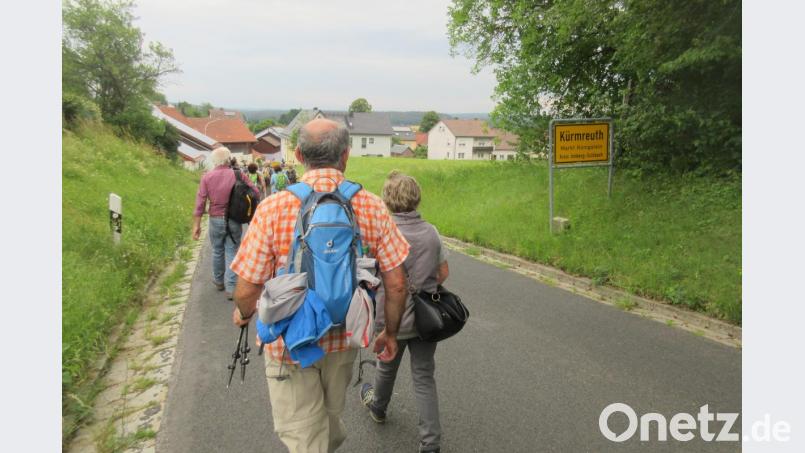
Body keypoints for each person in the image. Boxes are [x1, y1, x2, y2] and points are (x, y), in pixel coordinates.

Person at [230, 118, 411, 452]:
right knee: (327, 422)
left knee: (305, 436)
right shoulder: (371, 206)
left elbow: (248, 285)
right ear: (345, 156)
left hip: (288, 342)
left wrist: (243, 312)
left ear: (299, 155)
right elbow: (397, 283)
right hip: (344, 335)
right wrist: (390, 332)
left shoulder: (274, 207)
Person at [359, 171, 449, 453]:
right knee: (424, 377)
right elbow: (443, 273)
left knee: (386, 366)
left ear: (387, 199)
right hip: (427, 318)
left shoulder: (380, 233)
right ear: (417, 197)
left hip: (391, 317)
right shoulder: (431, 232)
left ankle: (378, 407)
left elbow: (369, 275)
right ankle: (430, 443)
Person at [192, 147, 259, 300]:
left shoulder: (207, 177)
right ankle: (231, 288)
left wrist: (196, 225)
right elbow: (255, 192)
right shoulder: (238, 174)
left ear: (214, 161)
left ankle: (218, 281)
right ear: (229, 159)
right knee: (232, 250)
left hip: (215, 218)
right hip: (234, 218)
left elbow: (200, 202)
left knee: (217, 250)